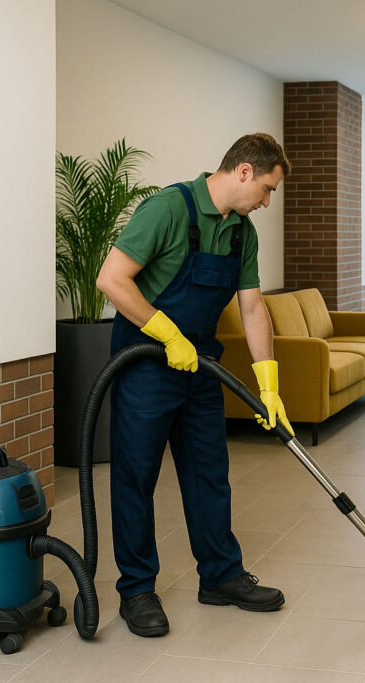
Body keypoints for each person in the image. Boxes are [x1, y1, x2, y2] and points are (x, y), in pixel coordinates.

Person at [95, 133, 294, 637]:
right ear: (244, 171)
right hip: (144, 364)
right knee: (136, 478)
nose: (268, 201)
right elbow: (112, 279)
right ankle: (137, 589)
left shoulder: (241, 233)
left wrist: (268, 386)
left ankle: (221, 576)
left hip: (201, 365)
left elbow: (252, 307)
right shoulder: (167, 208)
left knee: (209, 474)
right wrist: (164, 332)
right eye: (268, 189)